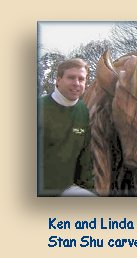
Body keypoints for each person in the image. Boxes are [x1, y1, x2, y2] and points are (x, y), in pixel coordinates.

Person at [38, 58, 95, 196]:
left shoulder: (83, 111)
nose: (76, 83)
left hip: (66, 189)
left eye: (81, 79)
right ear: (58, 80)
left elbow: (85, 158)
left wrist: (89, 189)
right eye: (71, 77)